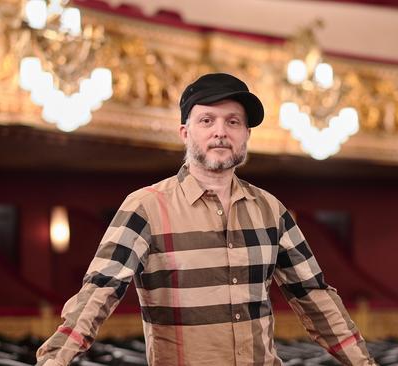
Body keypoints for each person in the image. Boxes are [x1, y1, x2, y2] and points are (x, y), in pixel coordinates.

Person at [36, 73, 376, 366]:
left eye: (233, 121)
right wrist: (55, 358)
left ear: (246, 135)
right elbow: (100, 291)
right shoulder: (145, 207)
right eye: (207, 120)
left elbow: (314, 296)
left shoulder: (270, 209)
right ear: (185, 133)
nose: (221, 132)